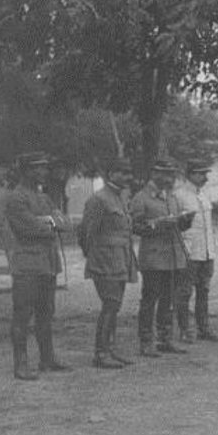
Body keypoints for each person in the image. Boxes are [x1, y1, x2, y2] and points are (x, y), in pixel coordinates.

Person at [3, 151, 73, 380]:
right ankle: (21, 365)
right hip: (27, 264)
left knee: (46, 312)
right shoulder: (17, 197)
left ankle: (47, 359)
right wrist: (49, 223)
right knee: (23, 314)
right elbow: (28, 228)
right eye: (37, 168)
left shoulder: (43, 197)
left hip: (47, 264)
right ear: (25, 171)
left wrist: (49, 222)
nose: (43, 172)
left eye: (44, 167)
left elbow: (64, 223)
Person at [78, 157, 138, 369]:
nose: (127, 176)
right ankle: (101, 353)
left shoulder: (119, 198)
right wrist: (95, 257)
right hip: (104, 261)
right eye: (122, 172)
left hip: (120, 259)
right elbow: (86, 233)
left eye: (129, 172)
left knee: (115, 305)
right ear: (110, 174)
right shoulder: (99, 199)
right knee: (110, 304)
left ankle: (109, 349)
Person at [131, 159, 194, 357]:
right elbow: (135, 226)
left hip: (172, 256)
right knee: (150, 299)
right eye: (165, 174)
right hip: (153, 257)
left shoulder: (171, 197)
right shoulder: (141, 198)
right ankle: (146, 341)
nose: (170, 178)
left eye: (172, 174)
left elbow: (177, 225)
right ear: (154, 173)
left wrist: (185, 221)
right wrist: (157, 225)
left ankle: (165, 339)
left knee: (168, 300)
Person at [174, 159, 218, 342]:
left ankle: (204, 328)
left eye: (206, 174)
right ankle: (185, 329)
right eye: (201, 174)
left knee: (204, 290)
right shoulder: (179, 196)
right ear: (190, 174)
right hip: (189, 252)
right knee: (184, 292)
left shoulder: (204, 195)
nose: (205, 178)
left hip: (207, 251)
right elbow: (177, 225)